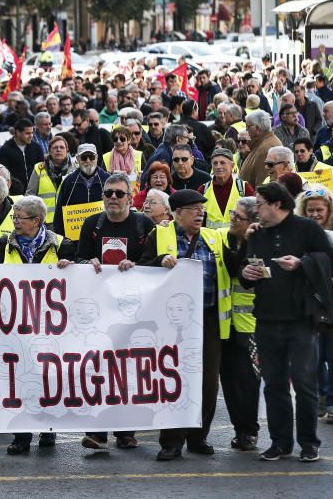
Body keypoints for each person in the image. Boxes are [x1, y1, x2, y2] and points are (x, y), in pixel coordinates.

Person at [140, 189, 240, 461]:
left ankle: (198, 437)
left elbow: (232, 266)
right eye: (194, 209)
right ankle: (171, 441)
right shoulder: (159, 235)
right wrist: (160, 261)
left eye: (201, 209)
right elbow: (141, 267)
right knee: (173, 380)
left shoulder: (213, 237)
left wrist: (246, 258)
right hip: (171, 323)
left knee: (207, 384)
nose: (200, 213)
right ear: (177, 214)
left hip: (208, 319)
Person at [242, 182, 333, 462]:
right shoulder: (258, 233)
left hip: (301, 319)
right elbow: (246, 267)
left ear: (277, 205)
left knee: (304, 382)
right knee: (273, 384)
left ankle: (309, 442)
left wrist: (302, 263)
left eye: (260, 204)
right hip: (266, 319)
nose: (256, 210)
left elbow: (330, 263)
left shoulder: (307, 228)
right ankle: (280, 442)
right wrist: (246, 271)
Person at [0, 194, 76, 455]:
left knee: (47, 376)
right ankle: (21, 434)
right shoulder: (5, 243)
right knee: (18, 377)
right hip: (15, 323)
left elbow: (78, 280)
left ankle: (48, 429)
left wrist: (71, 267)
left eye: (19, 218)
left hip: (49, 325)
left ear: (36, 221)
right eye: (13, 217)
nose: (14, 222)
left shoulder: (62, 245)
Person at [75, 172, 155, 452]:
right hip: (100, 309)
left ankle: (126, 431)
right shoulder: (92, 224)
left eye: (119, 194)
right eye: (108, 193)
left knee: (128, 370)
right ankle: (96, 432)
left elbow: (154, 262)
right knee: (98, 370)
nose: (112, 198)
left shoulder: (143, 224)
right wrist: (89, 262)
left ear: (130, 198)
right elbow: (79, 258)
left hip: (134, 311)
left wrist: (136, 265)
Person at [294, 186, 333, 426]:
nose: (315, 215)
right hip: (314, 305)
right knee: (315, 356)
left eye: (319, 210)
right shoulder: (300, 234)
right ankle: (320, 397)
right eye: (310, 211)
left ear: (330, 210)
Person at [219, 197, 261, 452]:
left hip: (250, 325)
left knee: (247, 381)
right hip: (224, 323)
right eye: (232, 215)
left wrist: (249, 243)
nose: (232, 220)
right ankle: (239, 429)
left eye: (237, 217)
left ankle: (249, 430)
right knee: (229, 381)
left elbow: (247, 279)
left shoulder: (260, 243)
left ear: (252, 222)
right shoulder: (222, 237)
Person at [53, 143, 110, 241]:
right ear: (77, 159)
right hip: (75, 241)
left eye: (91, 157)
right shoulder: (68, 182)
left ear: (96, 158)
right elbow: (59, 213)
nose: (88, 161)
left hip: (102, 238)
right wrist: (61, 239)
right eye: (84, 157)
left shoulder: (108, 180)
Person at [199, 148, 255, 229]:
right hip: (211, 240)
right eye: (215, 163)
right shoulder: (203, 189)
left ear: (232, 166)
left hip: (235, 239)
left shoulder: (243, 187)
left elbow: (254, 214)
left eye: (222, 163)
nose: (218, 166)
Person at [27, 136, 71, 224]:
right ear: (49, 151)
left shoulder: (75, 169)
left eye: (62, 147)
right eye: (55, 147)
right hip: (44, 222)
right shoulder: (39, 168)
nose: (58, 150)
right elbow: (30, 195)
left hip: (69, 220)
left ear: (67, 150)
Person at [0, 118, 44, 193]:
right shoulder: (4, 150)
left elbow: (42, 169)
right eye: (27, 133)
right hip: (14, 192)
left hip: (36, 191)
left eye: (32, 133)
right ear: (18, 132)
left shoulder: (37, 147)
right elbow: (5, 174)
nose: (31, 136)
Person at [239, 110, 282, 186]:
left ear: (258, 128)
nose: (246, 130)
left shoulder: (266, 149)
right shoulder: (261, 144)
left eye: (248, 127)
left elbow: (263, 184)